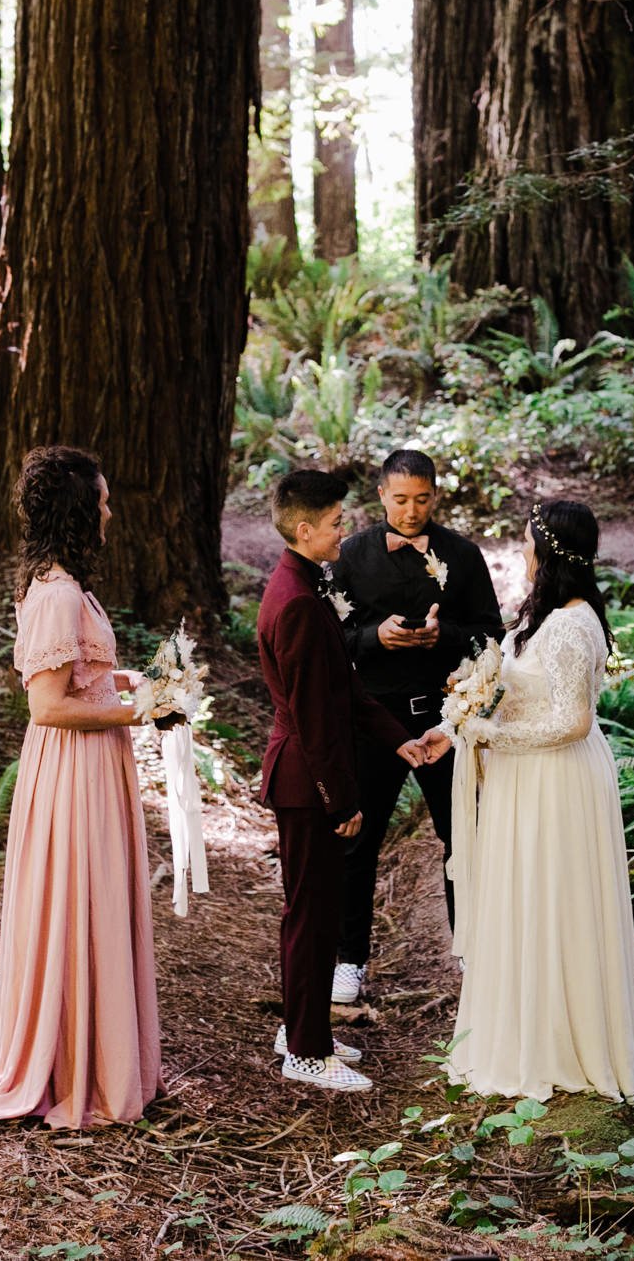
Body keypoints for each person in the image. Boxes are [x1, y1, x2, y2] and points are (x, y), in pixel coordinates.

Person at [0, 446, 161, 1127]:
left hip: (91, 764)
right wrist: (139, 712)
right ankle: (72, 1063)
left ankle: (94, 1052)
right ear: (76, 510)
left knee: (92, 898)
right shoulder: (59, 592)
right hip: (74, 768)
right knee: (78, 897)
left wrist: (126, 683)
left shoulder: (67, 584)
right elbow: (48, 706)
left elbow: (80, 677)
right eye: (99, 501)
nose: (108, 511)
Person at [444, 499, 634, 1103]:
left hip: (554, 779)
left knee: (553, 898)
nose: (523, 549)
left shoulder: (568, 625)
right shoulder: (547, 615)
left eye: (529, 540)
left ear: (550, 551)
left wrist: (492, 734)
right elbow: (521, 691)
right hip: (525, 777)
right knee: (528, 897)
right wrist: (474, 702)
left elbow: (572, 721)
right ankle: (529, 1030)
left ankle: (562, 1043)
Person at [256, 468, 442, 1092]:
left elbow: (348, 690)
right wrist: (343, 801)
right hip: (309, 780)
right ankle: (306, 1053)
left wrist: (400, 737)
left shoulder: (306, 582)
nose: (346, 528)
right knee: (312, 915)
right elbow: (316, 719)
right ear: (305, 529)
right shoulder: (301, 603)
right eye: (337, 521)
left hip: (310, 774)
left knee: (317, 909)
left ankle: (302, 1026)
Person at [324, 448, 503, 1005]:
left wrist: (442, 636)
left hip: (446, 721)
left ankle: (473, 958)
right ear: (381, 495)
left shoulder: (463, 555)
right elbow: (329, 640)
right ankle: (349, 962)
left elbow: (491, 636)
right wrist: (375, 638)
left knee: (463, 838)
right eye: (400, 500)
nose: (410, 510)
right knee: (359, 842)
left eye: (422, 499)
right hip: (373, 720)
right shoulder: (348, 556)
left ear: (436, 495)